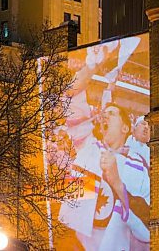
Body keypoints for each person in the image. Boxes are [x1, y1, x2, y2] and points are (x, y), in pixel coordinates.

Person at [59, 103, 150, 250]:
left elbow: (147, 227)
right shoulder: (88, 154)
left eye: (112, 114)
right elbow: (72, 216)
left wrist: (116, 182)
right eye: (104, 114)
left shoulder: (139, 165)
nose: (104, 116)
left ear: (125, 128)